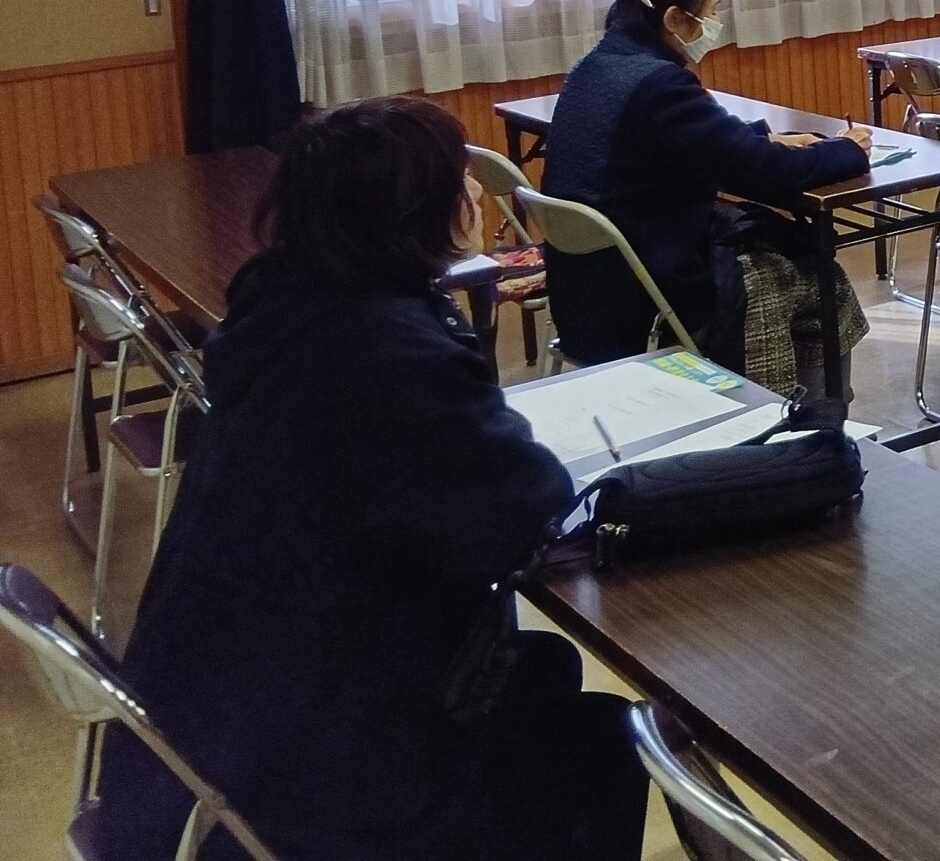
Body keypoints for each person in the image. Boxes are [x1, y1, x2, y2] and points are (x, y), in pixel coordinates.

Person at [100, 98, 645, 861]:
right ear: (416, 211)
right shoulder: (385, 352)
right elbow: (525, 512)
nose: (476, 195)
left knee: (542, 676)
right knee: (608, 742)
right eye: (460, 180)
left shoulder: (282, 310)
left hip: (208, 736)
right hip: (309, 775)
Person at [540, 0, 870, 395]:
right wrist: (848, 150)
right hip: (648, 302)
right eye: (711, 11)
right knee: (818, 281)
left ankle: (806, 411)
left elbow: (685, 143)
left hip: (585, 297)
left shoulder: (595, 68)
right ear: (675, 19)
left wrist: (763, 137)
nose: (715, 23)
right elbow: (767, 175)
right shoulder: (661, 85)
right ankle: (797, 420)